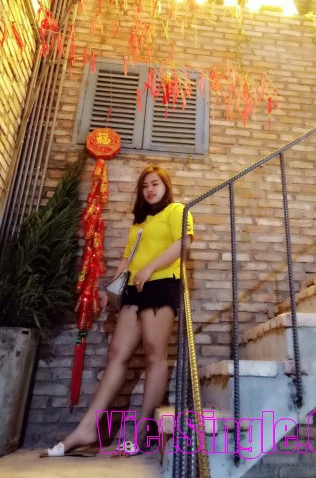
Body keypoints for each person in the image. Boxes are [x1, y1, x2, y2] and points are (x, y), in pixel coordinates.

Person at [43, 164, 194, 457]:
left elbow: (184, 245)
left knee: (154, 355)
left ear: (166, 186)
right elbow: (127, 259)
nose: (150, 189)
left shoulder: (177, 210)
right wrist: (111, 289)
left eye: (155, 184)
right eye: (145, 186)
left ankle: (144, 432)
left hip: (162, 284)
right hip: (135, 289)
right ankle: (88, 428)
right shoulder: (139, 223)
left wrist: (150, 268)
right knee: (117, 354)